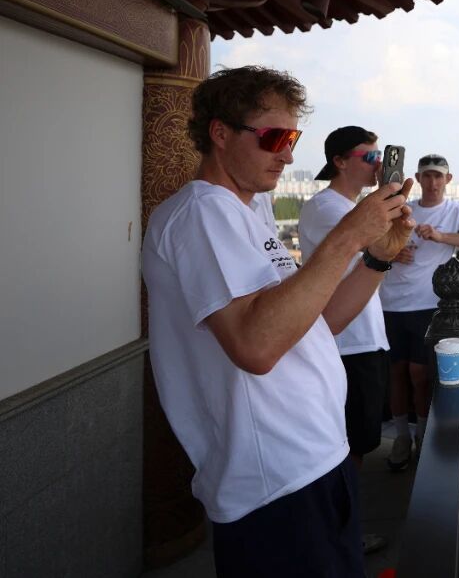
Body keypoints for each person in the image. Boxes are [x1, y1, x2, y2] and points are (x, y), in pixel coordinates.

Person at [142, 66, 414, 577]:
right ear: (220, 133)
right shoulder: (201, 214)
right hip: (274, 478)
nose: (288, 154)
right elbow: (255, 346)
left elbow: (317, 321)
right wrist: (347, 238)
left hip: (314, 455)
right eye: (274, 137)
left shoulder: (250, 211)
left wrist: (376, 258)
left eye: (293, 138)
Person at [297, 125, 393, 556]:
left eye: (379, 156)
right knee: (348, 449)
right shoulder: (325, 207)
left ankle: (342, 533)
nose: (376, 164)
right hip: (346, 342)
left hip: (362, 338)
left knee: (357, 443)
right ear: (339, 161)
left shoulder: (349, 207)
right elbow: (382, 243)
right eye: (368, 157)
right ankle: (344, 537)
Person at [379, 153, 459, 470]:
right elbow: (374, 242)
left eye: (438, 177)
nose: (432, 182)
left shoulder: (457, 210)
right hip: (390, 301)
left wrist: (442, 237)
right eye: (427, 176)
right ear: (418, 178)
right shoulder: (405, 209)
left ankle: (422, 437)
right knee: (396, 372)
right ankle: (403, 437)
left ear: (447, 180)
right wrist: (391, 252)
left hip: (426, 303)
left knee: (419, 374)